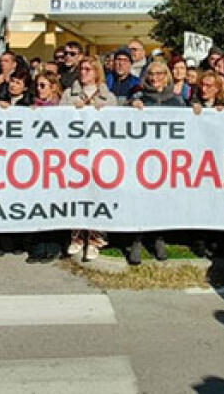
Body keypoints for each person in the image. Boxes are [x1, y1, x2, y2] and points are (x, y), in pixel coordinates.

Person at [126, 60, 187, 263]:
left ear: (167, 75)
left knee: (162, 199)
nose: (155, 77)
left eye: (160, 73)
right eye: (151, 74)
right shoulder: (138, 97)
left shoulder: (176, 100)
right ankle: (137, 238)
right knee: (140, 198)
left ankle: (159, 238)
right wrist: (130, 107)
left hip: (166, 159)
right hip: (141, 159)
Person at [61, 55, 115, 260]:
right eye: (81, 69)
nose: (83, 73)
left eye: (88, 69)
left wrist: (103, 113)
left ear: (96, 72)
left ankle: (95, 239)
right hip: (75, 154)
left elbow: (115, 125)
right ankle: (76, 236)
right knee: (76, 195)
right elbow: (58, 121)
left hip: (98, 153)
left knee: (97, 195)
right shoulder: (69, 94)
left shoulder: (107, 97)